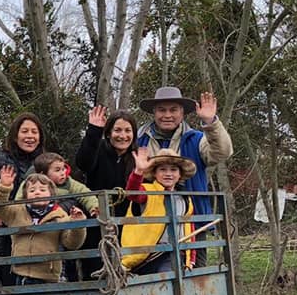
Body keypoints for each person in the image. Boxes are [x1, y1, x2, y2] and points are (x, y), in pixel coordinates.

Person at [135, 87, 232, 265]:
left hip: (193, 221)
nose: (167, 115)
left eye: (173, 110)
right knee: (153, 274)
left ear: (182, 113)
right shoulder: (140, 140)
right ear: (154, 113)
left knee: (195, 274)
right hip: (149, 223)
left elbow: (222, 152)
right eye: (162, 110)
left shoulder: (196, 139)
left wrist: (210, 122)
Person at [0, 166, 86, 284]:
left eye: (42, 190)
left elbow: (72, 243)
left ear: (52, 195)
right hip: (21, 273)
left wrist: (77, 224)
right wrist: (4, 187)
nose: (37, 193)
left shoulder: (60, 216)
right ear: (25, 196)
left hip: (48, 276)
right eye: (32, 190)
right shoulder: (16, 212)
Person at [121, 148, 196, 275]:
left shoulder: (185, 199)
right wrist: (138, 171)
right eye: (162, 169)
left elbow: (189, 229)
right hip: (144, 257)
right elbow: (132, 193)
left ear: (180, 174)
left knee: (171, 277)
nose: (168, 174)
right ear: (154, 173)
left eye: (173, 170)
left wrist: (191, 257)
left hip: (173, 253)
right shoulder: (147, 191)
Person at [74, 106, 138, 213]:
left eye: (128, 131)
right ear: (108, 134)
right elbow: (83, 163)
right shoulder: (98, 149)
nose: (123, 136)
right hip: (97, 216)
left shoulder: (138, 157)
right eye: (117, 130)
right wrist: (94, 130)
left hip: (128, 221)